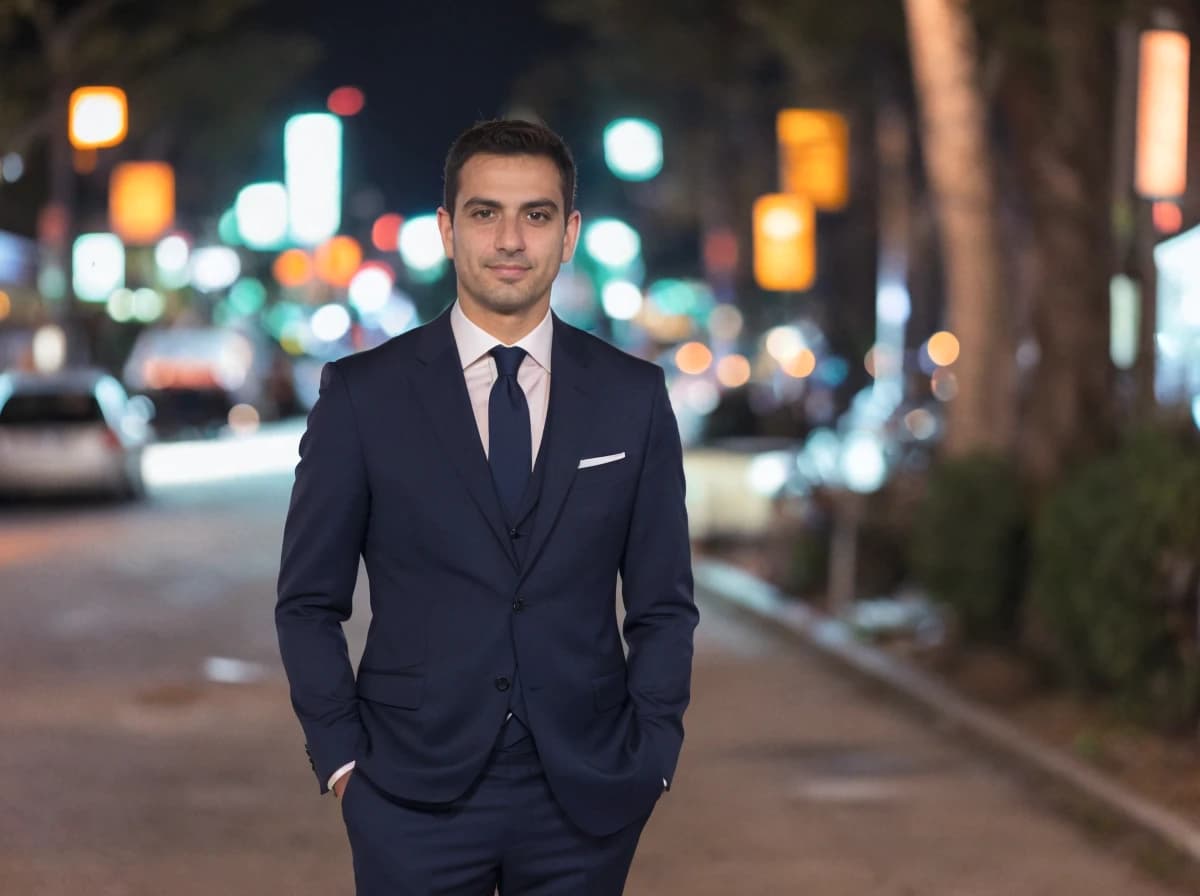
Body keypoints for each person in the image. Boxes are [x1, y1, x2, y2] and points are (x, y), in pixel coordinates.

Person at [275, 118, 698, 895]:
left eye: (535, 215)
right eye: (484, 213)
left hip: (585, 794)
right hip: (407, 792)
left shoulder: (631, 398)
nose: (510, 239)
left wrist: (654, 755)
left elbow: (664, 605)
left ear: (568, 234)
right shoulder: (363, 396)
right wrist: (342, 762)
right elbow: (307, 602)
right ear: (446, 229)